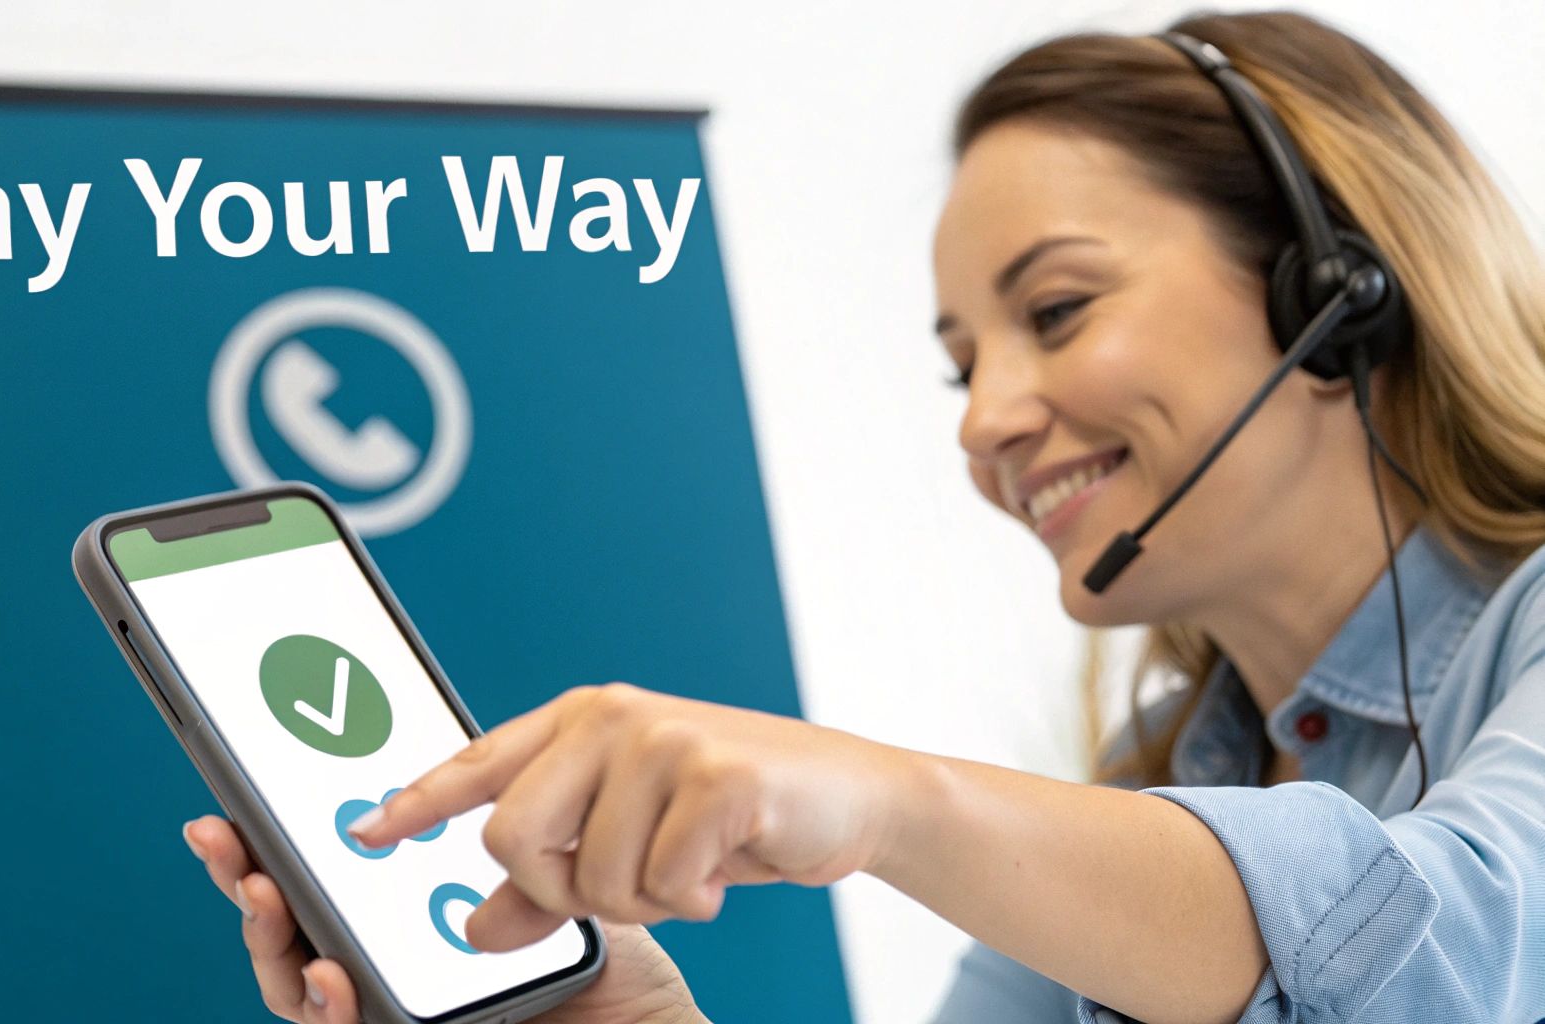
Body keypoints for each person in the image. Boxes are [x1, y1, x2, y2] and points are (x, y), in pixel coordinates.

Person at [180, 10, 1545, 1022]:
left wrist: (889, 804)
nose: (984, 419)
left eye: (1056, 312)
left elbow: (1450, 958)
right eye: (963, 366)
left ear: (1337, 284)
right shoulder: (1152, 789)